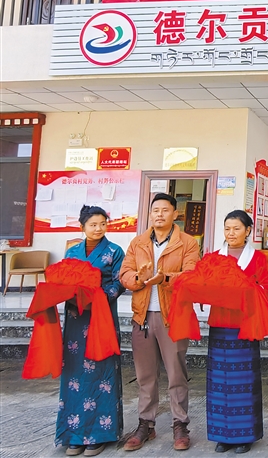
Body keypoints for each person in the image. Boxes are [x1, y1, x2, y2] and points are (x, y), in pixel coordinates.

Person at [119, 193, 200, 452]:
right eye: (156, 210)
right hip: (142, 317)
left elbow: (191, 275)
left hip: (173, 317)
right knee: (145, 375)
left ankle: (180, 425)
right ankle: (146, 424)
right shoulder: (138, 242)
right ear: (150, 213)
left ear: (175, 214)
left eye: (165, 210)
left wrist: (164, 279)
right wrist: (137, 279)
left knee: (176, 374)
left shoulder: (187, 243)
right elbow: (124, 273)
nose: (160, 214)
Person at [58, 206, 125, 457]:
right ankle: (74, 434)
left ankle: (99, 434)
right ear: (82, 227)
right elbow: (63, 279)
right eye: (93, 224)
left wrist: (99, 296)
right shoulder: (72, 252)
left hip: (101, 317)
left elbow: (119, 282)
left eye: (103, 224)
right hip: (76, 320)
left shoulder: (115, 251)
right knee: (74, 375)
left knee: (102, 373)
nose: (99, 229)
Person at [207, 210, 268, 454]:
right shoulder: (214, 257)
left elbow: (267, 287)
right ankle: (222, 435)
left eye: (236, 228)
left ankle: (245, 435)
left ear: (247, 231)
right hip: (220, 324)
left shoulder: (258, 258)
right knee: (219, 382)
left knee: (245, 381)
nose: (231, 233)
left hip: (246, 325)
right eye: (227, 229)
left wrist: (249, 290)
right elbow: (204, 283)